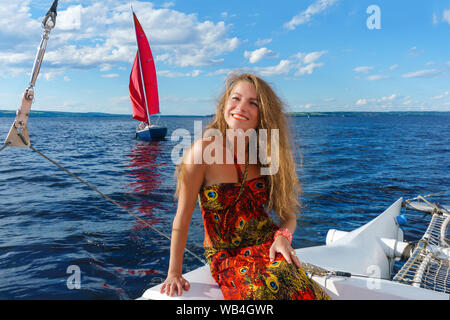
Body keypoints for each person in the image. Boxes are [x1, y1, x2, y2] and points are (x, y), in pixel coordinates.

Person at [160, 72, 330, 300]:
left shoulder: (267, 154)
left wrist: (282, 237)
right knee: (258, 294)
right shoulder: (201, 153)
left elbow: (289, 216)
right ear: (224, 104)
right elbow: (182, 218)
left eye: (253, 103)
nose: (241, 107)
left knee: (298, 287)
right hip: (226, 255)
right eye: (236, 98)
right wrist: (174, 273)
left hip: (269, 245)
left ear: (263, 114)